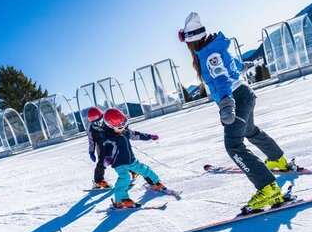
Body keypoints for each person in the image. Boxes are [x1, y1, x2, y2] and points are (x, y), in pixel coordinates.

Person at [179, 12, 293, 212]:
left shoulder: (209, 54)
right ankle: (277, 159)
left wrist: (225, 104)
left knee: (233, 145)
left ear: (190, 41)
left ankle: (268, 188)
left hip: (236, 98)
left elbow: (222, 79)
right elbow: (234, 65)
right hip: (243, 94)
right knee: (250, 130)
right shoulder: (213, 48)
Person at [102, 108, 163, 208]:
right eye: (119, 127)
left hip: (131, 160)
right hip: (119, 163)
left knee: (144, 169)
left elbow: (136, 135)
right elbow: (108, 149)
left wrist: (149, 137)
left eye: (124, 125)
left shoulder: (125, 131)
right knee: (125, 178)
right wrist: (107, 158)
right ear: (110, 126)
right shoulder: (109, 138)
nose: (122, 128)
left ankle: (155, 182)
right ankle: (120, 200)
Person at [87, 107, 112, 188]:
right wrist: (91, 152)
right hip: (101, 148)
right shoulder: (91, 129)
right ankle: (99, 181)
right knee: (101, 163)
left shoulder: (108, 121)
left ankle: (133, 170)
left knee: (122, 157)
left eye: (100, 121)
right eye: (95, 123)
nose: (99, 124)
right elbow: (91, 141)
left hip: (113, 144)